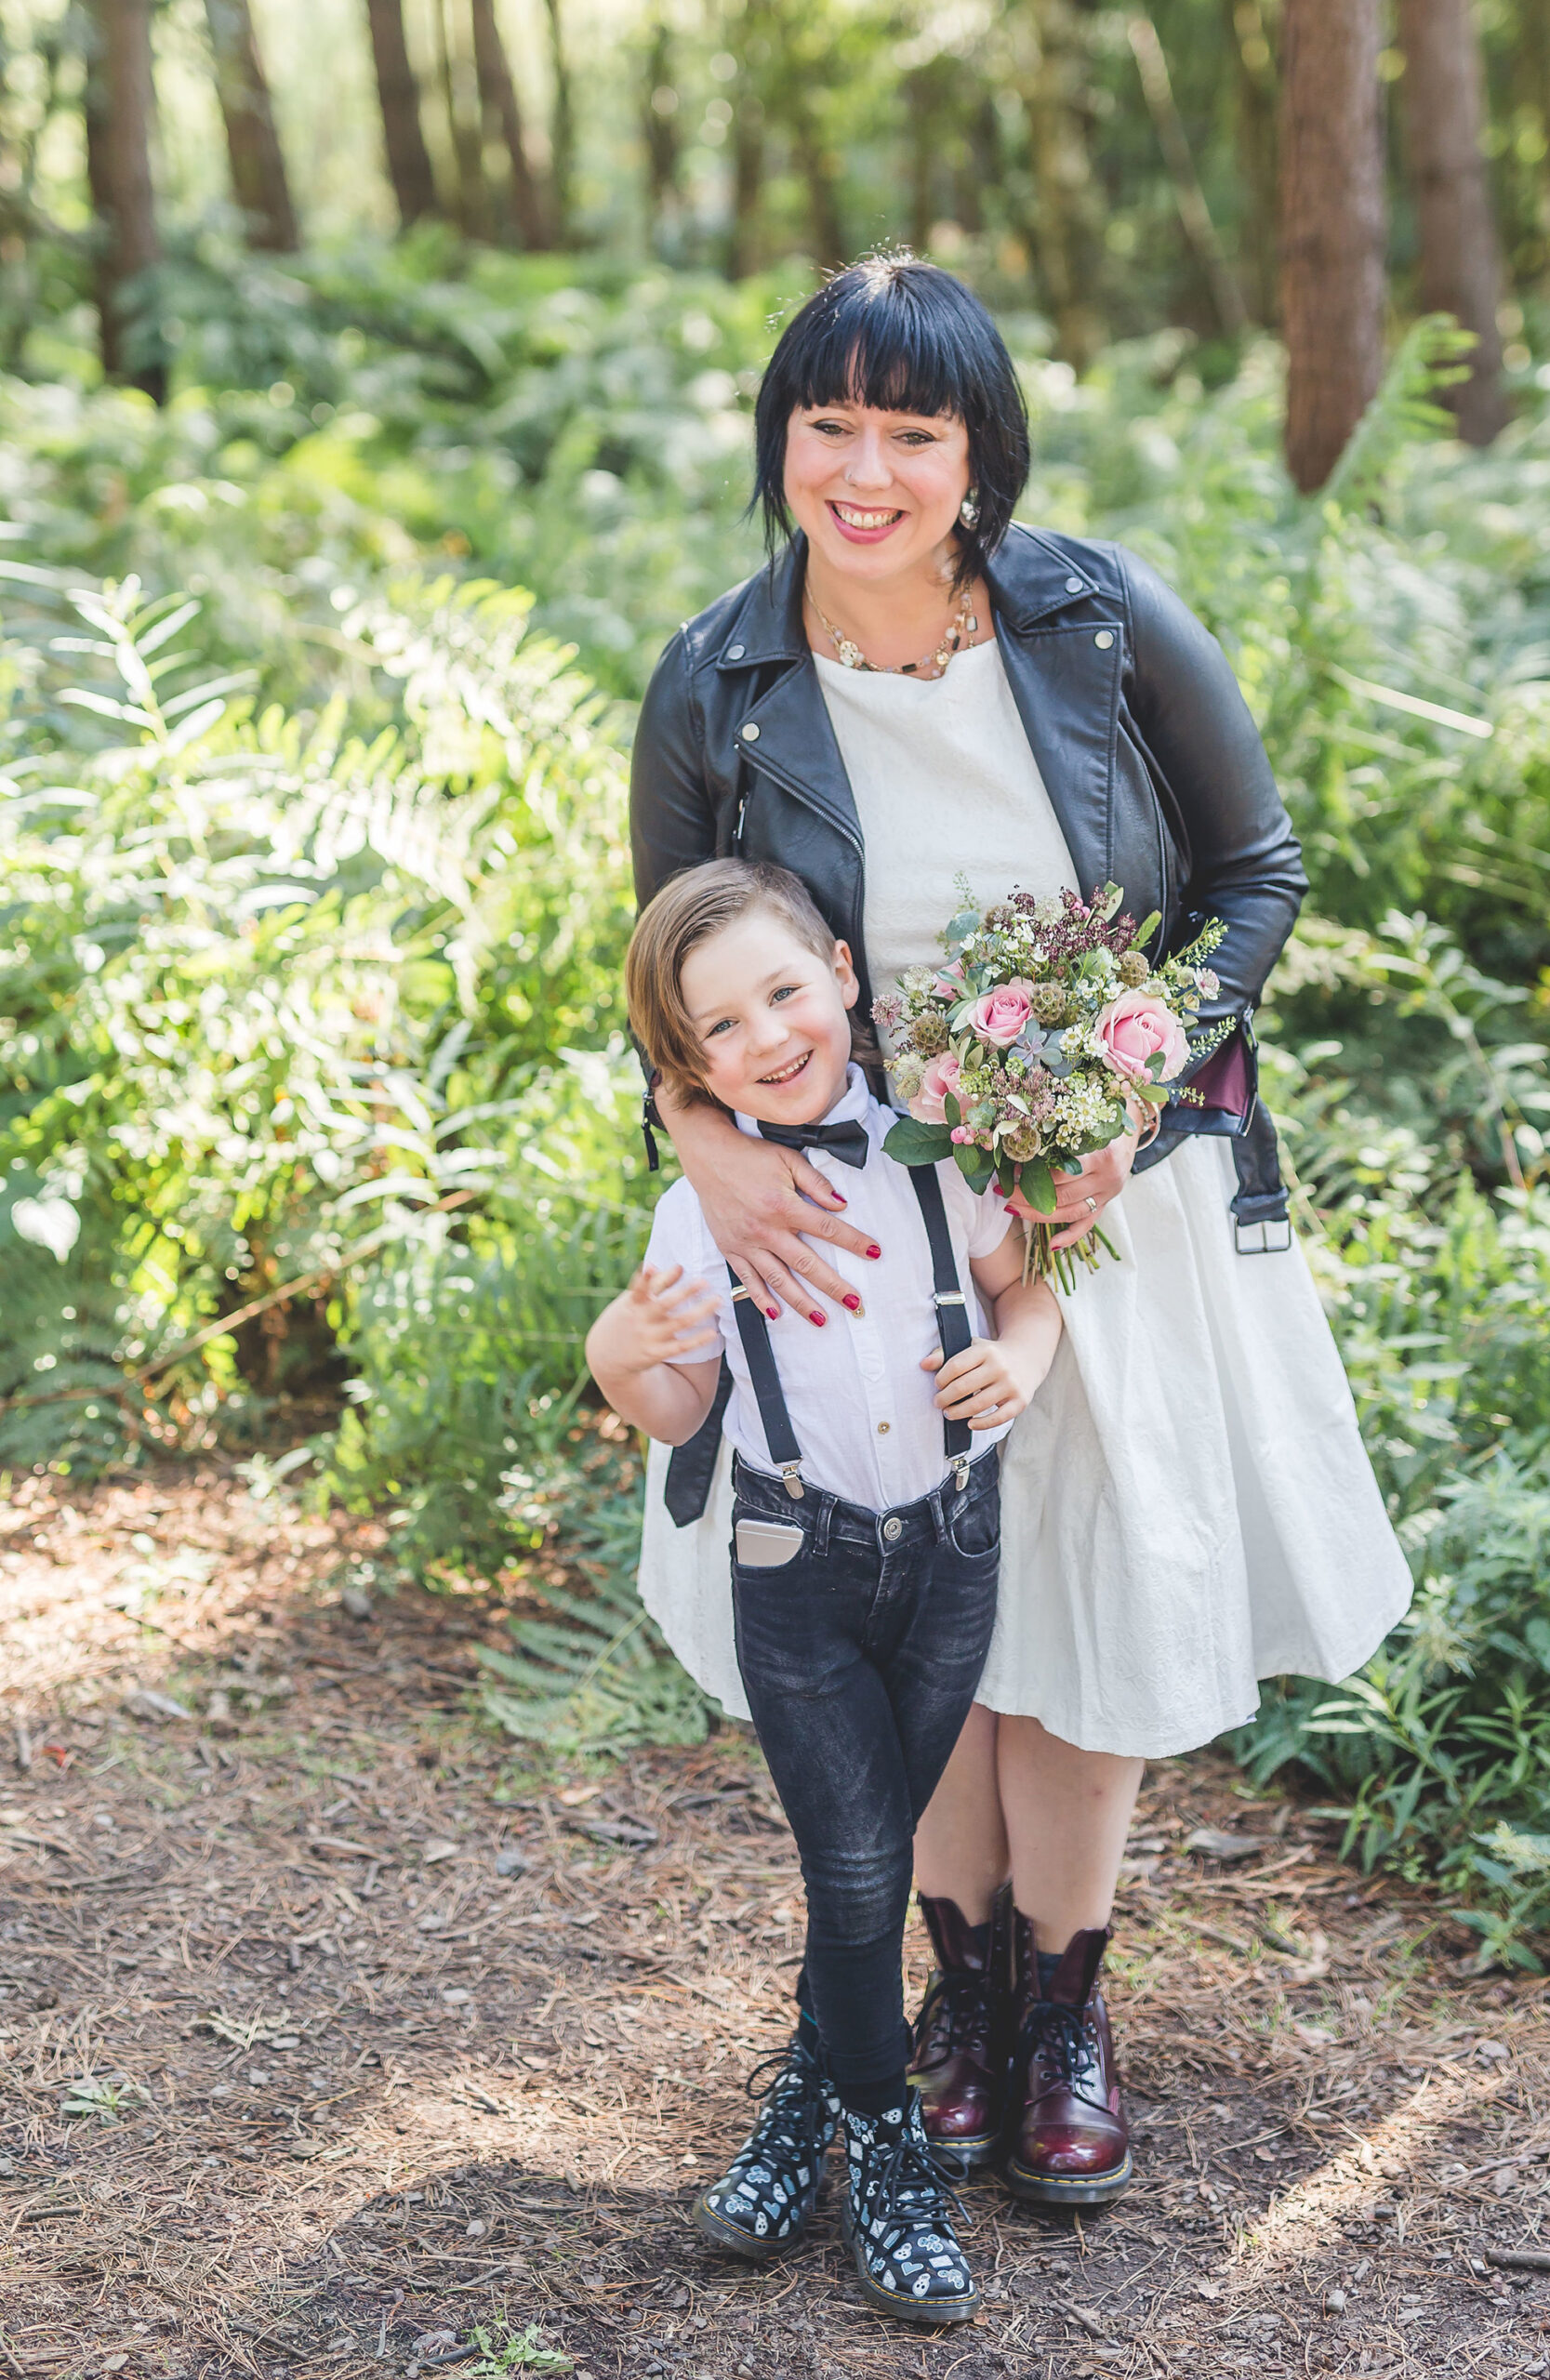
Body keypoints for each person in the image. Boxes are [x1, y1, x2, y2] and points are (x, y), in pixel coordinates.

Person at [627, 252, 1413, 2204]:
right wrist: (697, 1133)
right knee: (927, 1616)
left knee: (1080, 1598)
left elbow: (1250, 875)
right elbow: (660, 968)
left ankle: (1064, 2000)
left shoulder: (1094, 615)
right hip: (856, 1218)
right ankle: (953, 1994)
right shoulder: (718, 674)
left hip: (1096, 1206)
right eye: (830, 424)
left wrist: (1123, 1102)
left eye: (912, 428)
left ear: (976, 452)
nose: (865, 467)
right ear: (779, 440)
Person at [586, 858, 1062, 2323]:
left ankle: (805, 2104)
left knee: (864, 1876)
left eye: (784, 993)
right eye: (719, 1029)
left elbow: (1029, 1285)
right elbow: (677, 1411)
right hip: (796, 1569)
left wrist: (1022, 1363)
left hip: (952, 1555)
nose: (768, 1037)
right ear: (688, 1069)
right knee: (856, 1873)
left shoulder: (946, 1155)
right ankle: (891, 2153)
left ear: (845, 976)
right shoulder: (702, 1216)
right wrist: (619, 1353)